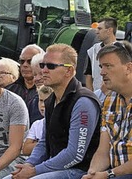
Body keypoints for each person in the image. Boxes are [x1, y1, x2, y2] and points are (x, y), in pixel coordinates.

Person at [9, 44, 101, 179]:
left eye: (51, 66)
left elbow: (75, 154)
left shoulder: (83, 102)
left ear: (69, 71)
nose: (44, 70)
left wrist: (35, 171)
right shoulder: (51, 99)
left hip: (81, 171)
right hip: (54, 167)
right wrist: (29, 164)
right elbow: (44, 142)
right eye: (42, 65)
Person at [83, 42, 132, 179]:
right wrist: (92, 173)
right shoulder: (109, 100)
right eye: (101, 66)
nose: (102, 72)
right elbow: (103, 151)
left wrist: (108, 174)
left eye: (108, 66)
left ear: (128, 68)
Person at [6, 44, 45, 124]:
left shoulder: (49, 91)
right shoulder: (9, 90)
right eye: (22, 61)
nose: (25, 65)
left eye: (30, 61)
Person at [85, 18, 117, 92]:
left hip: (116, 96)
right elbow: (88, 75)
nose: (96, 32)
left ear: (109, 30)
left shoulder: (122, 50)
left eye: (100, 29)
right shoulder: (93, 50)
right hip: (97, 96)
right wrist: (91, 95)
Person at [21, 86, 52, 156]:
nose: (43, 105)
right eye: (41, 101)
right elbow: (26, 149)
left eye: (47, 101)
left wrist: (36, 143)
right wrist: (47, 143)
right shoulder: (36, 124)